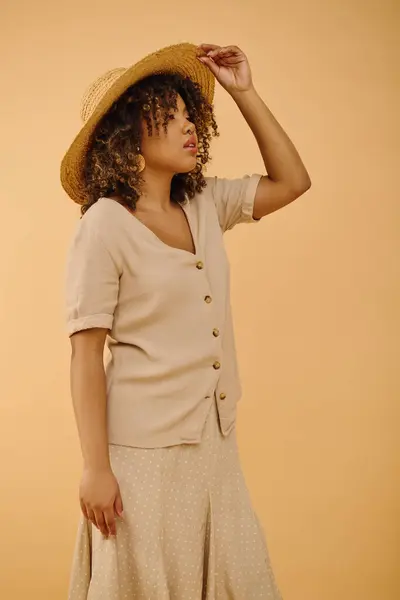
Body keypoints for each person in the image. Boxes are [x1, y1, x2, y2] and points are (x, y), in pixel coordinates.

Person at [61, 42, 311, 600]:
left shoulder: (204, 204)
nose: (188, 127)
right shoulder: (103, 225)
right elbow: (84, 355)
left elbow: (293, 182)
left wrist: (244, 92)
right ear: (129, 138)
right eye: (167, 117)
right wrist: (94, 468)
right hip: (142, 457)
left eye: (187, 114)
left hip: (215, 446)